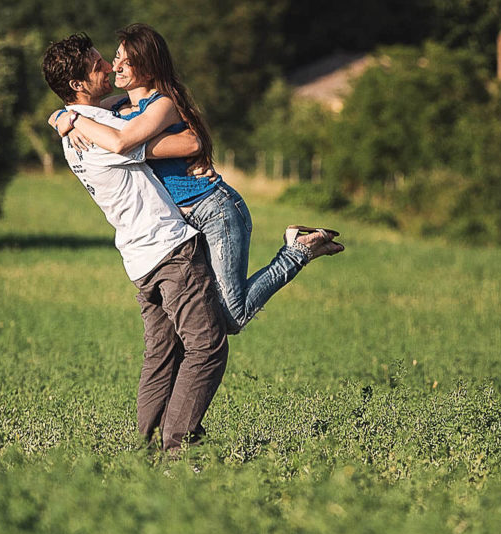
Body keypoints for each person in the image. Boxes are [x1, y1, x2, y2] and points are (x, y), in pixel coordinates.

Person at [51, 23, 343, 334]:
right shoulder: (119, 107)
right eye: (116, 57)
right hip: (184, 221)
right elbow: (86, 111)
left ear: (148, 69)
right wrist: (59, 117)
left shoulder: (161, 103)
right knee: (208, 313)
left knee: (232, 317)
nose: (115, 66)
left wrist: (75, 120)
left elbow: (133, 143)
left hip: (212, 210)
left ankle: (298, 250)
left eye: (126, 61)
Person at [41, 33, 226, 454]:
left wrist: (60, 117)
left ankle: (140, 456)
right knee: (207, 347)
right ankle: (178, 451)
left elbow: (98, 119)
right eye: (97, 65)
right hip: (169, 248)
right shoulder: (105, 129)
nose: (108, 67)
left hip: (138, 259)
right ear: (78, 85)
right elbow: (188, 143)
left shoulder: (79, 128)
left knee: (161, 358)